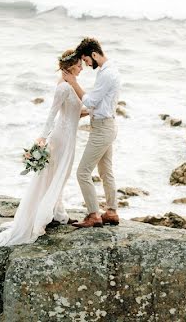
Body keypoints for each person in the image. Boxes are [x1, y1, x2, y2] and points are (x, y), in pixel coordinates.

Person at [0, 49, 86, 246]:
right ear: (70, 66)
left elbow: (75, 112)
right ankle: (44, 215)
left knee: (61, 175)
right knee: (56, 175)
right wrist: (42, 138)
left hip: (69, 137)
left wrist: (92, 111)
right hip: (62, 138)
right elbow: (53, 114)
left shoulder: (71, 85)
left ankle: (57, 212)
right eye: (79, 65)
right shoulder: (64, 88)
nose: (82, 67)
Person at [62, 37, 122, 228]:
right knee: (106, 171)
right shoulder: (109, 70)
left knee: (82, 173)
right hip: (107, 124)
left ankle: (93, 215)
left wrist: (72, 82)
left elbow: (91, 101)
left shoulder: (106, 74)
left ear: (94, 54)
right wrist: (86, 113)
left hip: (103, 129)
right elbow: (102, 104)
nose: (87, 65)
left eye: (87, 60)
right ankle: (111, 211)